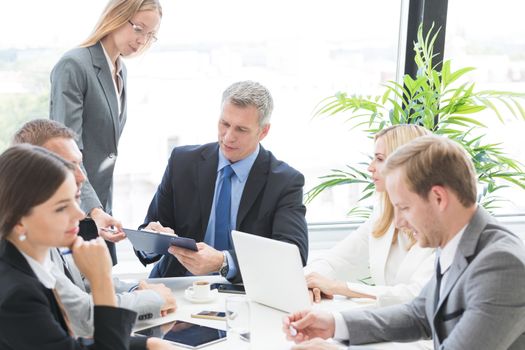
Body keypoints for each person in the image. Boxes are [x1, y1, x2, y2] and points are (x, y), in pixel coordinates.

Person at [283, 135, 525, 349]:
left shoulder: (501, 264)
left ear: (438, 198)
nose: (398, 222)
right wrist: (335, 324)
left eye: (404, 208)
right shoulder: (457, 239)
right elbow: (419, 314)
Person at [11, 118, 177, 338]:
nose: (81, 176)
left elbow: (79, 285)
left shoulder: (43, 235)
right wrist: (154, 299)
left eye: (80, 164)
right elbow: (85, 317)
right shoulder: (24, 263)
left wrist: (135, 291)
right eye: (67, 166)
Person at [137, 80, 308, 282]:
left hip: (246, 290)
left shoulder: (284, 181)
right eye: (224, 124)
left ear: (263, 132)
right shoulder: (182, 162)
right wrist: (150, 240)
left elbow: (293, 253)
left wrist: (223, 262)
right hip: (179, 285)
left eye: (241, 130)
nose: (228, 137)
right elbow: (151, 229)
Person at [49, 0, 163, 264]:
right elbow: (65, 152)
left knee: (105, 293)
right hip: (76, 208)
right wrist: (93, 210)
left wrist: (101, 210)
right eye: (138, 29)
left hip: (100, 209)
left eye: (150, 35)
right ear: (116, 16)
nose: (142, 40)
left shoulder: (120, 69)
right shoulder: (74, 65)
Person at [304, 125, 435, 307]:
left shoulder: (442, 225)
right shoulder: (383, 214)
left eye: (379, 159)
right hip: (386, 324)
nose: (370, 168)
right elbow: (336, 259)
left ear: (404, 164)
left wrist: (338, 287)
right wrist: (311, 283)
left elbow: (416, 294)